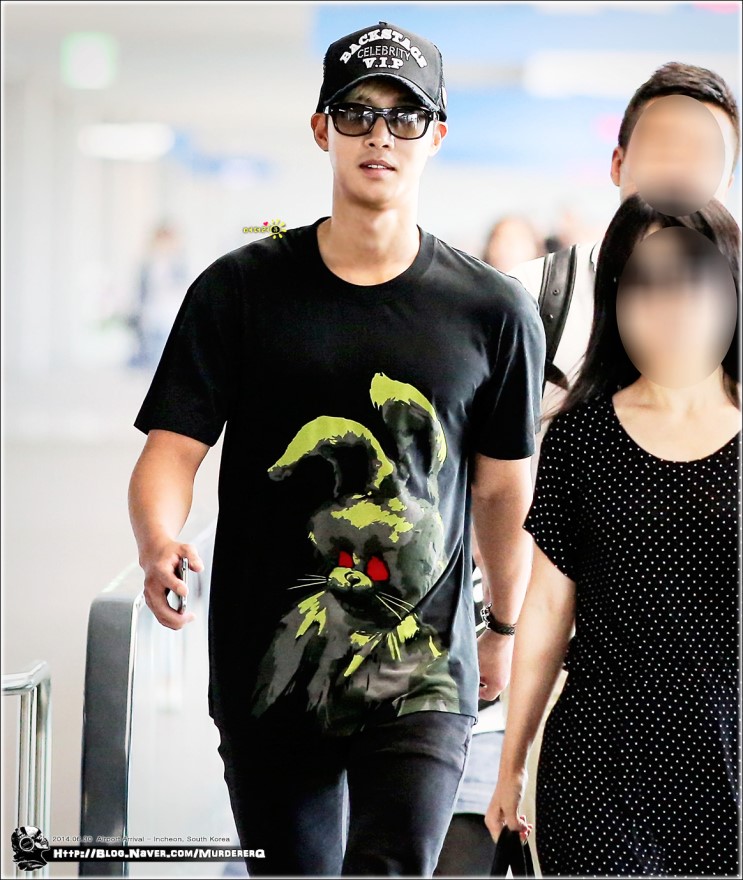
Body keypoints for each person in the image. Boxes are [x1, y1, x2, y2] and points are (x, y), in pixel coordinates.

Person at [128, 20, 545, 877]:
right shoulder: (239, 291)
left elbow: (502, 492)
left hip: (421, 670)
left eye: (404, 115)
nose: (379, 136)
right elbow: (171, 450)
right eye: (357, 113)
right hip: (269, 662)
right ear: (322, 128)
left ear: (435, 135)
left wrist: (503, 624)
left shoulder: (492, 311)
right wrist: (157, 538)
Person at [438, 61, 741, 877]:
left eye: (702, 151)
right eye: (661, 144)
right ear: (617, 162)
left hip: (718, 746)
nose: (678, 166)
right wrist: (508, 722)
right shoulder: (524, 309)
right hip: (544, 700)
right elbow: (538, 586)